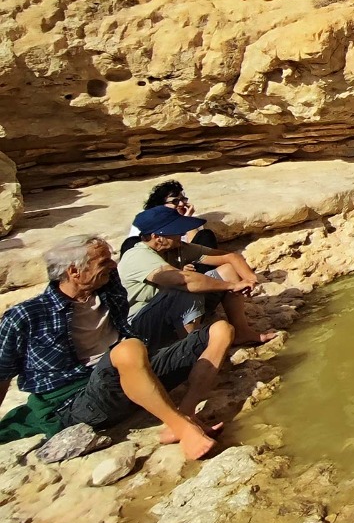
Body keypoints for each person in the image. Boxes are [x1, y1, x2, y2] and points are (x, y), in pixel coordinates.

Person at [0, 235, 233, 459]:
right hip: (76, 401)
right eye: (104, 261)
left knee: (221, 329)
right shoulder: (25, 316)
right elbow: (2, 373)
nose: (114, 265)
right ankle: (183, 430)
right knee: (129, 348)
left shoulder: (109, 289)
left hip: (126, 375)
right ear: (74, 272)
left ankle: (185, 414)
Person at [118, 206, 276, 349]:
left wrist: (250, 280)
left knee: (227, 271)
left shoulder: (176, 248)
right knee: (187, 290)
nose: (182, 235)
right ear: (158, 237)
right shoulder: (137, 256)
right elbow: (184, 280)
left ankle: (242, 332)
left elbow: (229, 257)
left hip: (173, 310)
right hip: (143, 323)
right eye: (177, 231)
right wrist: (232, 286)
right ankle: (192, 349)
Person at [121, 180, 217, 265]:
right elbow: (135, 245)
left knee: (206, 235)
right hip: (156, 263)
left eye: (183, 200)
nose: (181, 204)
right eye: (175, 201)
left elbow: (196, 247)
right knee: (131, 241)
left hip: (188, 263)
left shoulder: (192, 219)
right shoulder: (145, 219)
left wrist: (186, 219)